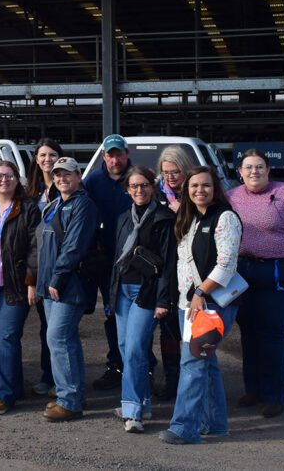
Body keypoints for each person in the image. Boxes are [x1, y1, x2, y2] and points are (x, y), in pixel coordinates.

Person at [228, 150, 284, 419]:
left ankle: (274, 395)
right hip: (242, 270)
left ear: (268, 169)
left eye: (259, 167)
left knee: (272, 332)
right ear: (239, 172)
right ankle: (252, 389)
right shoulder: (231, 196)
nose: (254, 171)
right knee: (248, 331)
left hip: (277, 270)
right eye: (248, 167)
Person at [160, 167, 243, 445]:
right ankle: (215, 424)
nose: (200, 190)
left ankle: (184, 427)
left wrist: (200, 292)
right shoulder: (190, 218)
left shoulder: (226, 218)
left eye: (206, 185)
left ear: (215, 188)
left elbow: (226, 264)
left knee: (193, 363)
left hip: (210, 305)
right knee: (206, 364)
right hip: (191, 305)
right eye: (194, 186)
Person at [110, 166, 177, 433]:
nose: (139, 190)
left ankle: (133, 411)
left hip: (145, 293)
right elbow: (116, 259)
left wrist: (163, 300)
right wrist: (111, 293)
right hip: (122, 291)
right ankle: (139, 403)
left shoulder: (163, 218)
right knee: (126, 349)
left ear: (153, 186)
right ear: (127, 190)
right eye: (134, 186)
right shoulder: (123, 218)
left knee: (137, 348)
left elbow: (169, 264)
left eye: (144, 185)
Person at [0, 160, 41, 415]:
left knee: (6, 336)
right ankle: (14, 387)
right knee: (0, 339)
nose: (4, 180)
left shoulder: (27, 209)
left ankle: (2, 394)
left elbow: (36, 248)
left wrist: (31, 280)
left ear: (18, 179)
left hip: (14, 284)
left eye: (10, 175)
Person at [36, 157, 98, 422]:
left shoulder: (82, 204)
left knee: (58, 339)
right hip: (51, 284)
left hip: (67, 285)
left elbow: (74, 246)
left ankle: (69, 400)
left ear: (79, 175)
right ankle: (74, 394)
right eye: (58, 174)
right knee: (66, 340)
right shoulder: (55, 204)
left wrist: (57, 278)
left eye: (67, 174)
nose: (62, 178)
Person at [81, 134, 132, 391]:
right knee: (112, 314)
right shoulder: (92, 181)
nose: (114, 159)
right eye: (110, 155)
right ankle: (116, 366)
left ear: (127, 154)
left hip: (135, 262)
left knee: (135, 316)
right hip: (105, 261)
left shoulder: (137, 179)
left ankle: (141, 366)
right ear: (103, 156)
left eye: (118, 154)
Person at [152, 144, 193, 400]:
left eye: (176, 171)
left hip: (190, 272)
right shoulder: (157, 195)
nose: (171, 177)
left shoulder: (197, 192)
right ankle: (171, 381)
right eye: (166, 172)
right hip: (164, 270)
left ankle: (189, 384)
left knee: (189, 333)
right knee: (167, 331)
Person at [25, 139, 65, 396]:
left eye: (52, 154)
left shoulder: (66, 188)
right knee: (45, 326)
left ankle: (61, 380)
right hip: (38, 265)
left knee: (58, 329)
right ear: (36, 160)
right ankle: (48, 375)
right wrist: (30, 277)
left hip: (59, 267)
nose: (47, 159)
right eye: (43, 155)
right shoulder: (31, 191)